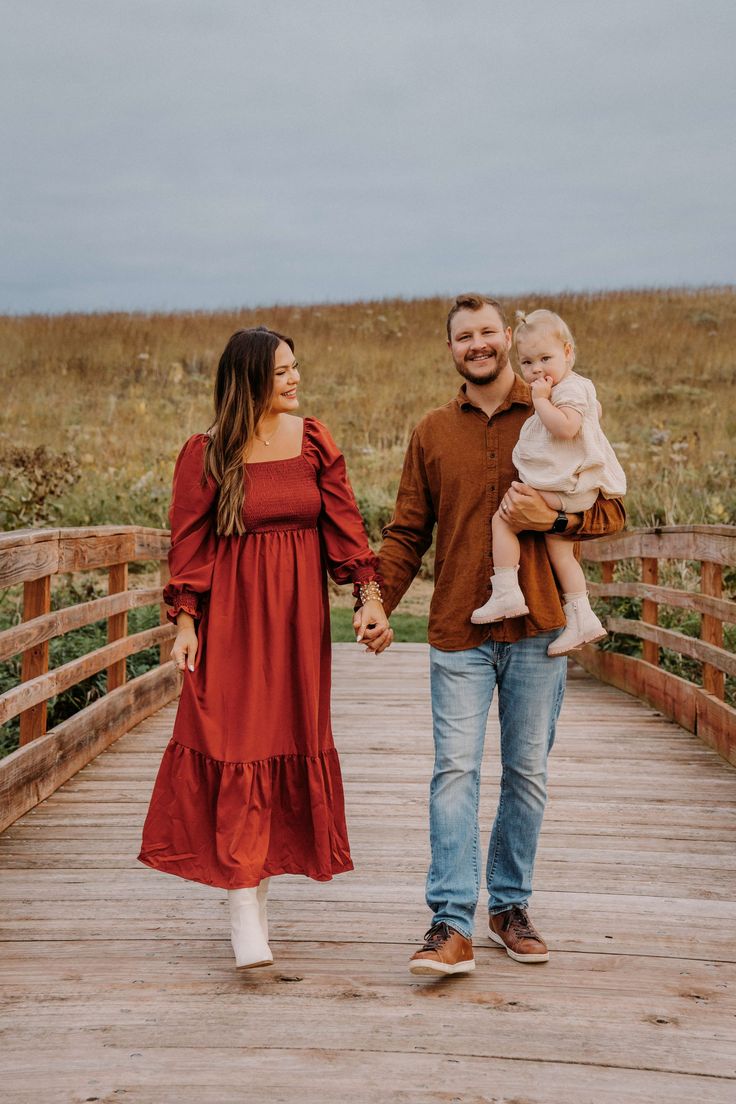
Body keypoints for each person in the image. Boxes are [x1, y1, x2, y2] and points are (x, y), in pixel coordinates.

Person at [356, 294, 625, 977]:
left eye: (487, 333)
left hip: (538, 624)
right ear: (450, 348)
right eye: (462, 337)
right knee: (454, 773)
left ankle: (509, 907)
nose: (477, 344)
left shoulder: (560, 409)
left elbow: (612, 510)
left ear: (507, 338)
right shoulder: (432, 431)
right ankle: (451, 922)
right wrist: (376, 599)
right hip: (457, 627)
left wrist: (554, 522)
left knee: (527, 773)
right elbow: (407, 530)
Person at [139, 326, 389, 970]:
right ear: (249, 378)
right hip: (233, 621)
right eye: (281, 372)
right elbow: (188, 542)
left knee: (284, 743)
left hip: (299, 624)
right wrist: (186, 621)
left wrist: (368, 597)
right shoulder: (208, 452)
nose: (294, 379)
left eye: (295, 368)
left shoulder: (313, 441)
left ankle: (256, 890)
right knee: (236, 744)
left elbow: (345, 525)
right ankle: (243, 904)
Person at [470, 309, 626, 656]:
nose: (537, 370)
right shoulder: (576, 387)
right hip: (572, 489)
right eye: (527, 363)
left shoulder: (564, 390)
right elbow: (590, 417)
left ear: (568, 353)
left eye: (545, 359)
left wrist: (540, 400)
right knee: (561, 550)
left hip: (566, 489)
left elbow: (568, 427)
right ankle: (581, 616)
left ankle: (506, 590)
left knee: (503, 518)